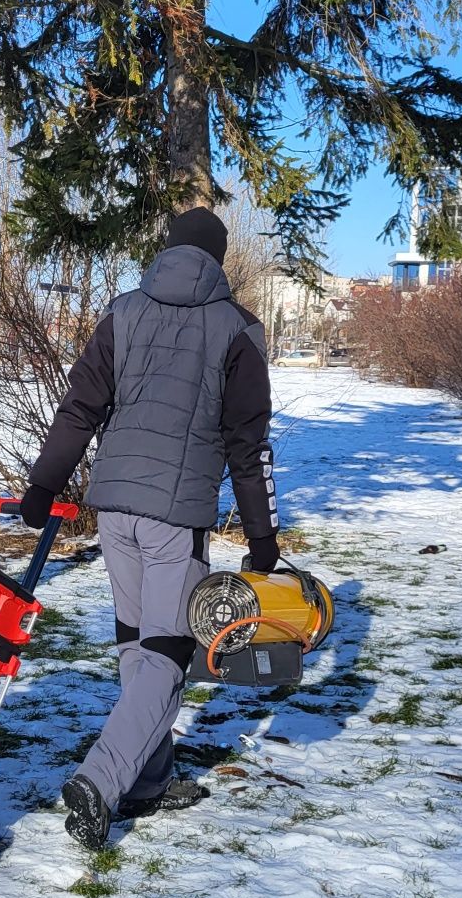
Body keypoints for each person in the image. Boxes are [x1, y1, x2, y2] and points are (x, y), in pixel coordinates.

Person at [20, 207, 281, 850]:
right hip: (177, 513)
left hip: (114, 507)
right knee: (169, 654)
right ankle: (100, 780)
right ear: (218, 259)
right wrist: (262, 535)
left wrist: (44, 482)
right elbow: (247, 447)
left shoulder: (123, 312)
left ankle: (147, 780)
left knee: (138, 644)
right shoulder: (238, 328)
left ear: (169, 251)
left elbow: (80, 405)